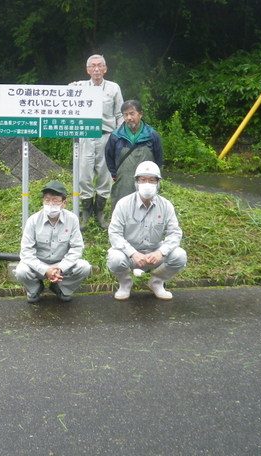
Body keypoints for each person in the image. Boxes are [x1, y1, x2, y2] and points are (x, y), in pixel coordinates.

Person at [107, 161, 187, 301]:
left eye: (152, 180)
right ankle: (125, 284)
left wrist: (160, 252)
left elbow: (175, 233)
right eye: (143, 180)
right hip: (130, 255)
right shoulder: (123, 204)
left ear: (158, 183)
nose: (147, 184)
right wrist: (133, 253)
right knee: (115, 259)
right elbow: (114, 234)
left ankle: (156, 282)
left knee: (179, 256)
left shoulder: (166, 206)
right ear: (136, 182)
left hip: (155, 255)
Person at [14, 180, 91, 303]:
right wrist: (45, 270)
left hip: (62, 266)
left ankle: (61, 288)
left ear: (64, 203)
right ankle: (35, 289)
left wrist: (60, 267)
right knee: (21, 271)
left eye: (55, 200)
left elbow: (77, 248)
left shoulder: (72, 219)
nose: (50, 204)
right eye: (47, 200)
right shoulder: (33, 221)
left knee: (84, 267)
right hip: (38, 265)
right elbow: (26, 252)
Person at [70, 54, 123, 228]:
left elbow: (119, 115)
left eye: (100, 65)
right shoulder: (81, 86)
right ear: (88, 70)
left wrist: (118, 137)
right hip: (85, 136)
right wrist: (70, 88)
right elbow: (65, 97)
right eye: (93, 66)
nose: (97, 69)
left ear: (105, 68)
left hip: (107, 135)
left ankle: (100, 213)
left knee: (105, 175)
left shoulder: (114, 88)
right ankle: (85, 212)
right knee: (84, 175)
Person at [105, 100, 164, 207]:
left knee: (147, 207)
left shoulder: (152, 135)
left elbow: (158, 159)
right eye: (125, 114)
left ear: (140, 114)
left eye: (132, 114)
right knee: (122, 207)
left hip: (147, 181)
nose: (129, 118)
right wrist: (114, 175)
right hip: (123, 181)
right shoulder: (115, 136)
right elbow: (109, 157)